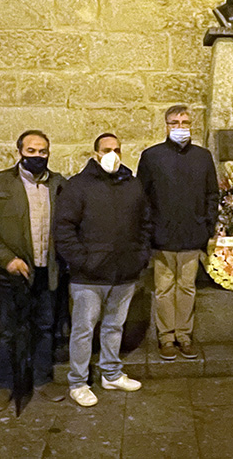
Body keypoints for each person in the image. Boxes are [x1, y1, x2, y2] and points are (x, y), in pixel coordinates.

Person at [0, 130, 68, 412]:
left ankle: (42, 379)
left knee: (45, 327)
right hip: (11, 274)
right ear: (19, 152)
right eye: (32, 151)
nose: (38, 156)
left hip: (47, 270)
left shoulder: (59, 184)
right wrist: (6, 259)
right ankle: (2, 385)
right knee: (7, 331)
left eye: (43, 152)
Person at [54, 133, 151, 407]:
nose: (113, 154)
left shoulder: (132, 185)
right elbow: (64, 228)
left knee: (114, 327)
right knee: (83, 330)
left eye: (117, 149)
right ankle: (78, 381)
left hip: (124, 271)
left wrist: (139, 257)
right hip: (89, 275)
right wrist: (82, 261)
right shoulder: (78, 186)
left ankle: (111, 372)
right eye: (107, 149)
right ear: (96, 153)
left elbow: (145, 223)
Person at [137, 105, 219, 360]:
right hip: (162, 236)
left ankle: (184, 335)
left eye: (185, 122)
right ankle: (166, 337)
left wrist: (207, 225)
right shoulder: (152, 156)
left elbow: (212, 194)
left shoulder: (203, 156)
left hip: (192, 234)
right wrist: (149, 230)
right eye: (175, 122)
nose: (180, 127)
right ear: (166, 125)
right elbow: (142, 196)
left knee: (187, 288)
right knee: (163, 288)